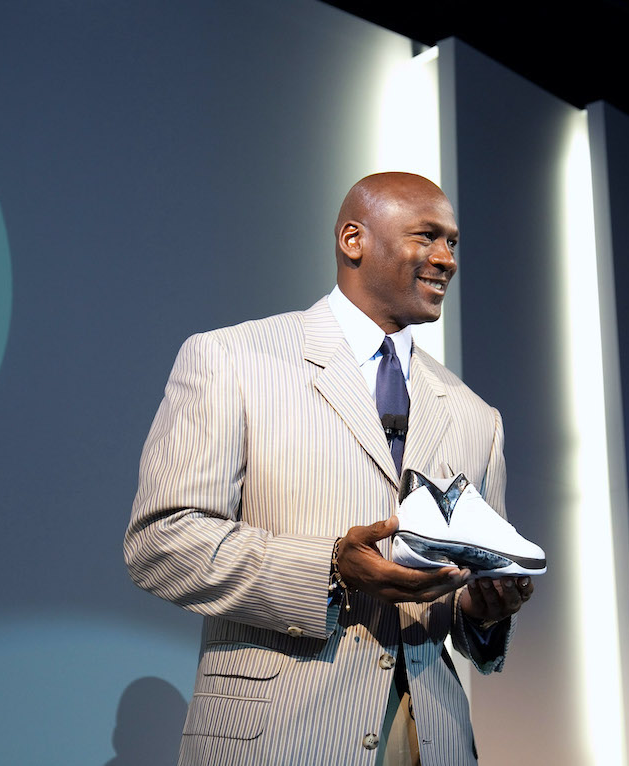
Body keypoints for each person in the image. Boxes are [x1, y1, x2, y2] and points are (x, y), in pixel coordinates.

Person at [125, 172, 535, 765]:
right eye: (428, 237)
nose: (446, 259)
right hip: (279, 739)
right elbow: (160, 542)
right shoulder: (233, 359)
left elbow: (468, 590)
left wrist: (480, 610)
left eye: (454, 244)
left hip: (433, 739)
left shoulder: (476, 416)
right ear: (353, 239)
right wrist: (331, 566)